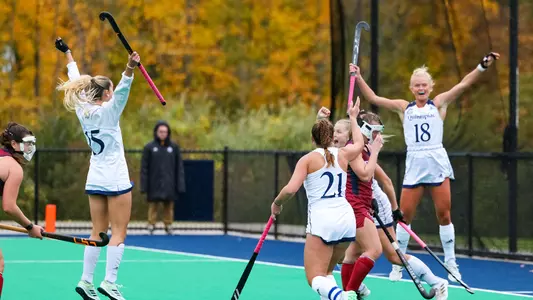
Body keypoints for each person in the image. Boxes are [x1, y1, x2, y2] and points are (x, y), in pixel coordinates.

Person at [351, 52, 500, 281]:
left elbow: (464, 84)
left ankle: (451, 264)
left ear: (430, 87)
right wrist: (358, 77)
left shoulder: (439, 103)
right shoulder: (404, 108)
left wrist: (482, 66)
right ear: (412, 88)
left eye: (424, 85)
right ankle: (399, 263)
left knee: (444, 214)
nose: (421, 88)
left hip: (436, 162)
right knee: (404, 215)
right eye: (417, 85)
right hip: (415, 163)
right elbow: (374, 97)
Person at [324, 110, 447, 300]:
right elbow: (328, 147)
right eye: (375, 130)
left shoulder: (363, 149)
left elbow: (382, 180)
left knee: (385, 254)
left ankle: (436, 283)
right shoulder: (355, 149)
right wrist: (324, 119)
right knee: (354, 254)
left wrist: (394, 208)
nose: (378, 135)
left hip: (369, 205)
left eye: (340, 131)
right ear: (364, 129)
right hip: (358, 206)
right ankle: (350, 292)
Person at [56, 37, 140, 300]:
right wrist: (130, 67)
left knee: (97, 232)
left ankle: (86, 280)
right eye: (110, 90)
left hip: (95, 177)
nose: (114, 93)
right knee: (119, 232)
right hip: (115, 178)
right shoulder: (109, 111)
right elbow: (124, 88)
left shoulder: (83, 107)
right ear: (105, 94)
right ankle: (110, 282)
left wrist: (68, 53)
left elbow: (76, 78)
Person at [270, 99, 364, 300]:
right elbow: (359, 143)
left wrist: (276, 203)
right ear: (332, 138)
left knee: (314, 278)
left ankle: (340, 297)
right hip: (347, 220)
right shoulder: (344, 154)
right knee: (327, 273)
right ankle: (337, 295)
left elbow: (291, 189)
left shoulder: (308, 159)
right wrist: (353, 118)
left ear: (312, 140)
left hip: (323, 221)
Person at [0, 122, 43, 298]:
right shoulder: (14, 168)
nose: (30, 148)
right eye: (27, 143)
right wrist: (30, 227)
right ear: (14, 144)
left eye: (31, 144)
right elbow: (9, 206)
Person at [141, 121, 186, 234]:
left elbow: (179, 167)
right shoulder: (149, 147)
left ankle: (168, 225)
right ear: (156, 132)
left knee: (169, 206)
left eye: (165, 132)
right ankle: (151, 225)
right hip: (154, 183)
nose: (163, 134)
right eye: (160, 131)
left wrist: (180, 185)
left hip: (169, 183)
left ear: (168, 133)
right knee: (153, 205)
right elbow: (144, 168)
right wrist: (144, 185)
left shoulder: (174, 148)